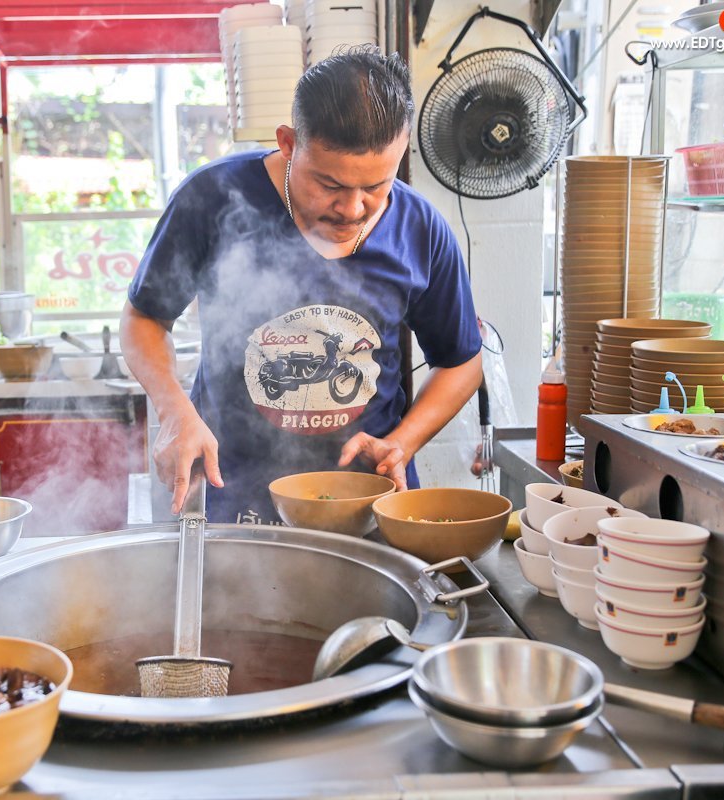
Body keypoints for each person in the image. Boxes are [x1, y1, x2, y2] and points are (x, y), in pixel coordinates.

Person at [120, 46, 483, 523]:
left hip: (367, 506)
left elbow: (461, 362)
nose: (353, 209)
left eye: (377, 186)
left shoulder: (420, 228)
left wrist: (402, 442)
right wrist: (174, 410)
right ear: (289, 143)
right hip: (234, 500)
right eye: (330, 185)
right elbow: (145, 317)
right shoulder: (211, 199)